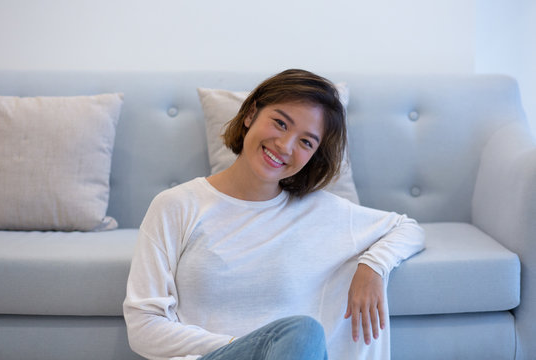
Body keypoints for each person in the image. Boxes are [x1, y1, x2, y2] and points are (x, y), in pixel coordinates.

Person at [123, 69, 425, 360]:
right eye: (280, 123)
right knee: (302, 333)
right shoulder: (177, 205)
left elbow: (407, 228)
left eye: (306, 142)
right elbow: (143, 327)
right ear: (251, 114)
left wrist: (373, 266)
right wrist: (254, 349)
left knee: (304, 336)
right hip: (216, 356)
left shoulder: (320, 210)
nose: (285, 146)